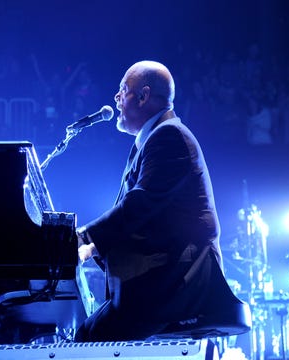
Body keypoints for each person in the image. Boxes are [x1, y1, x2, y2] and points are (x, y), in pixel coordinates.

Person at [74, 60, 224, 342]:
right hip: (161, 274)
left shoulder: (169, 137)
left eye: (122, 91)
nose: (117, 99)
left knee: (90, 336)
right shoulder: (151, 140)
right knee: (89, 331)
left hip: (180, 280)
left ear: (143, 96)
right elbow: (147, 219)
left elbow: (138, 206)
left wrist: (83, 237)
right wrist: (92, 247)